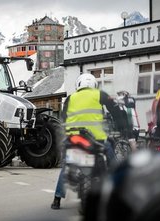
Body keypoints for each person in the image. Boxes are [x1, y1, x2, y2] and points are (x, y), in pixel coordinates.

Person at [51, 73, 120, 210]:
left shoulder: (70, 98)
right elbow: (115, 110)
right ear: (94, 84)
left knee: (66, 165)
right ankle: (119, 187)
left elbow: (63, 118)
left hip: (73, 138)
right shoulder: (99, 94)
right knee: (112, 157)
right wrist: (123, 127)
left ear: (78, 85)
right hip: (96, 138)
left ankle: (57, 199)